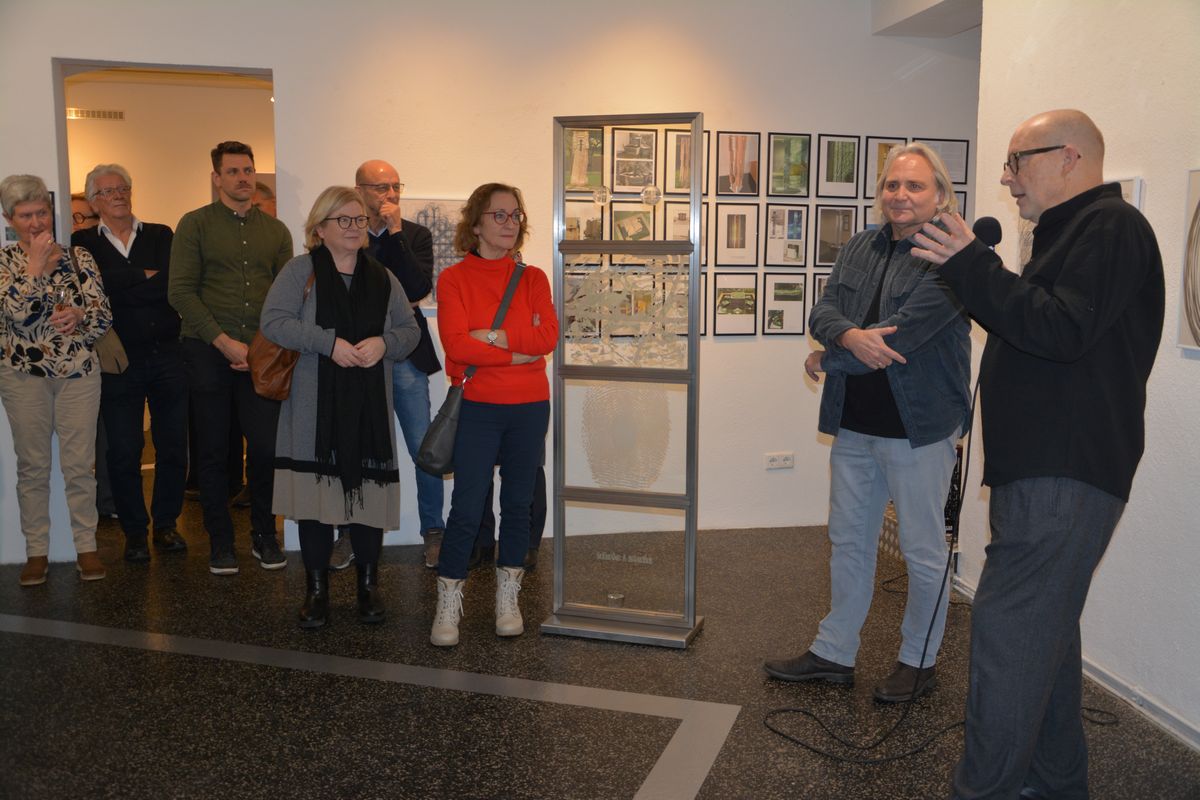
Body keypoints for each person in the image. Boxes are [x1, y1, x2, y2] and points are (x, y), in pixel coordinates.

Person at [913, 110, 1164, 800]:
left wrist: (973, 263)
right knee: (1044, 642)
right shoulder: (1069, 235)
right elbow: (1042, 323)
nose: (1005, 178)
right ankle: (1055, 784)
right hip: (1050, 471)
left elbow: (1059, 330)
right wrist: (978, 272)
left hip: (1068, 472)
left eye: (1016, 161)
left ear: (1069, 157)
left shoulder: (1111, 228)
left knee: (1008, 638)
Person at [763, 143, 971, 703]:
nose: (900, 195)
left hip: (918, 429)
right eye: (892, 185)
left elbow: (902, 338)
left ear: (939, 195)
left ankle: (919, 662)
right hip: (854, 422)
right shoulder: (860, 244)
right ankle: (834, 653)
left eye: (914, 186)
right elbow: (822, 311)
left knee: (922, 548)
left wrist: (826, 356)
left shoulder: (953, 258)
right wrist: (847, 337)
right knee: (848, 541)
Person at [261, 186, 419, 628]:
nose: (354, 228)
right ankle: (317, 591)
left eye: (359, 220)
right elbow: (273, 323)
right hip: (312, 411)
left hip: (369, 409)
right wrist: (327, 343)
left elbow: (410, 331)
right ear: (319, 229)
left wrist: (382, 344)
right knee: (314, 504)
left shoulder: (383, 277)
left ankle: (368, 588)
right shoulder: (299, 272)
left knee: (368, 499)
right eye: (343, 220)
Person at [430, 182, 558, 647]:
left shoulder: (534, 278)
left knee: (519, 506)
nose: (509, 224)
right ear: (477, 222)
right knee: (466, 507)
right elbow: (457, 345)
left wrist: (495, 338)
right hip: (480, 407)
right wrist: (516, 350)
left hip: (528, 407)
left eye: (515, 215)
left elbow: (547, 341)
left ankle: (510, 597)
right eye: (499, 215)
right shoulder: (454, 278)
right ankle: (448, 603)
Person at [168, 140, 293, 575]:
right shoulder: (195, 224)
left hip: (262, 352)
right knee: (215, 450)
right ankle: (220, 542)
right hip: (207, 349)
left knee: (264, 448)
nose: (243, 178)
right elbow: (180, 290)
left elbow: (286, 298)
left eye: (248, 170)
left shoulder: (276, 232)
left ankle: (264, 535)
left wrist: (257, 346)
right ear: (217, 178)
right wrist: (223, 342)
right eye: (234, 171)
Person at [72, 164, 188, 563]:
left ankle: (167, 524)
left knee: (173, 444)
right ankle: (135, 532)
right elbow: (91, 290)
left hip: (169, 354)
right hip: (118, 360)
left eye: (123, 188)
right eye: (107, 191)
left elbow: (171, 284)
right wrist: (141, 276)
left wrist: (118, 282)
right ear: (93, 201)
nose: (118, 195)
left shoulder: (161, 234)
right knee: (124, 449)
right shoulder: (82, 242)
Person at [0, 174, 113, 585]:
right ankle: (36, 552)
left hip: (78, 374)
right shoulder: (6, 263)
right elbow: (14, 313)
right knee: (33, 466)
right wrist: (33, 269)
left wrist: (80, 317)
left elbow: (103, 317)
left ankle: (86, 546)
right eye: (26, 215)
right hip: (22, 377)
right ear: (10, 219)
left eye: (41, 212)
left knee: (80, 465)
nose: (35, 222)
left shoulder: (80, 258)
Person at [340, 159, 443, 573]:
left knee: (424, 448)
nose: (392, 195)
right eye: (382, 187)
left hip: (404, 353)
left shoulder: (415, 235)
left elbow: (418, 288)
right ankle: (350, 532)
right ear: (359, 189)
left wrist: (396, 235)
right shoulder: (349, 232)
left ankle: (434, 531)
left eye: (396, 186)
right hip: (359, 353)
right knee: (356, 446)